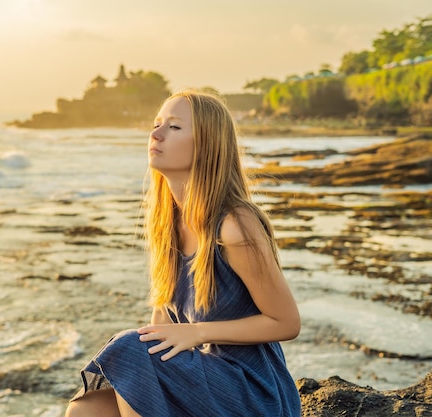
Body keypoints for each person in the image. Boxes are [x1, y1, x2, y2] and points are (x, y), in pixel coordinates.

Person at [65, 90, 302, 417]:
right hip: (199, 380)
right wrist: (146, 369)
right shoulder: (166, 225)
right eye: (156, 124)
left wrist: (198, 333)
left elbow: (286, 322)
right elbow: (160, 326)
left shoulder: (234, 226)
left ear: (207, 145)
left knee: (127, 349)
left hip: (253, 392)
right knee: (89, 407)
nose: (156, 134)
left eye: (174, 127)